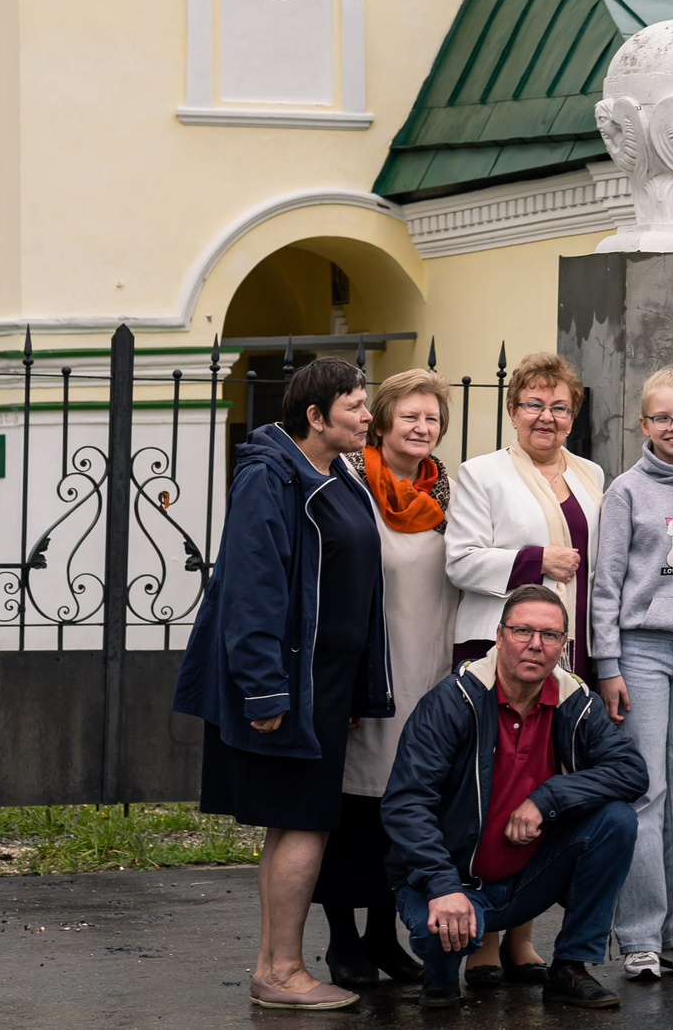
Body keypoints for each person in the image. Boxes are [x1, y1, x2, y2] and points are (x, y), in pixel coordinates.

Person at [173, 356, 392, 1011]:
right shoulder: (271, 478)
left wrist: (354, 690)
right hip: (290, 684)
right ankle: (283, 970)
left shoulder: (336, 473)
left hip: (324, 686)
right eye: (355, 405)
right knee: (302, 823)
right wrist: (264, 688)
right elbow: (253, 587)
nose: (366, 416)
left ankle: (275, 965)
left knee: (296, 824)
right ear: (315, 415)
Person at [381, 585, 645, 1011]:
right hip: (454, 885)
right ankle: (442, 974)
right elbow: (406, 803)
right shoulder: (453, 701)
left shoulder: (574, 699)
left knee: (616, 820)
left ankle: (571, 967)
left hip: (527, 882)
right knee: (439, 937)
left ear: (563, 644)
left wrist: (548, 797)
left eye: (550, 635)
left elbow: (631, 772)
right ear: (499, 637)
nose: (536, 645)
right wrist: (444, 887)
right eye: (523, 631)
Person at [445, 351, 606, 987]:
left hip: (568, 655)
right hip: (497, 652)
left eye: (560, 406)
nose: (547, 416)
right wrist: (536, 560)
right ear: (513, 412)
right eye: (535, 404)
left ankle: (523, 935)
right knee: (493, 790)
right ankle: (483, 937)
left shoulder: (593, 475)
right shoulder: (479, 474)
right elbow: (459, 561)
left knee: (549, 785)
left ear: (574, 415)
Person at [314, 368, 463, 990]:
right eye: (410, 416)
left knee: (404, 804)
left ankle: (383, 934)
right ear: (381, 421)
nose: (422, 427)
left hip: (428, 665)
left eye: (432, 418)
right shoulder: (351, 484)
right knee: (351, 803)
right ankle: (342, 940)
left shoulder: (447, 492)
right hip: (369, 669)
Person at [588, 369, 673, 982]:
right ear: (643, 424)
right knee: (648, 792)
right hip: (642, 653)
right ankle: (640, 935)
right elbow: (605, 584)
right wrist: (608, 664)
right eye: (662, 418)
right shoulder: (626, 492)